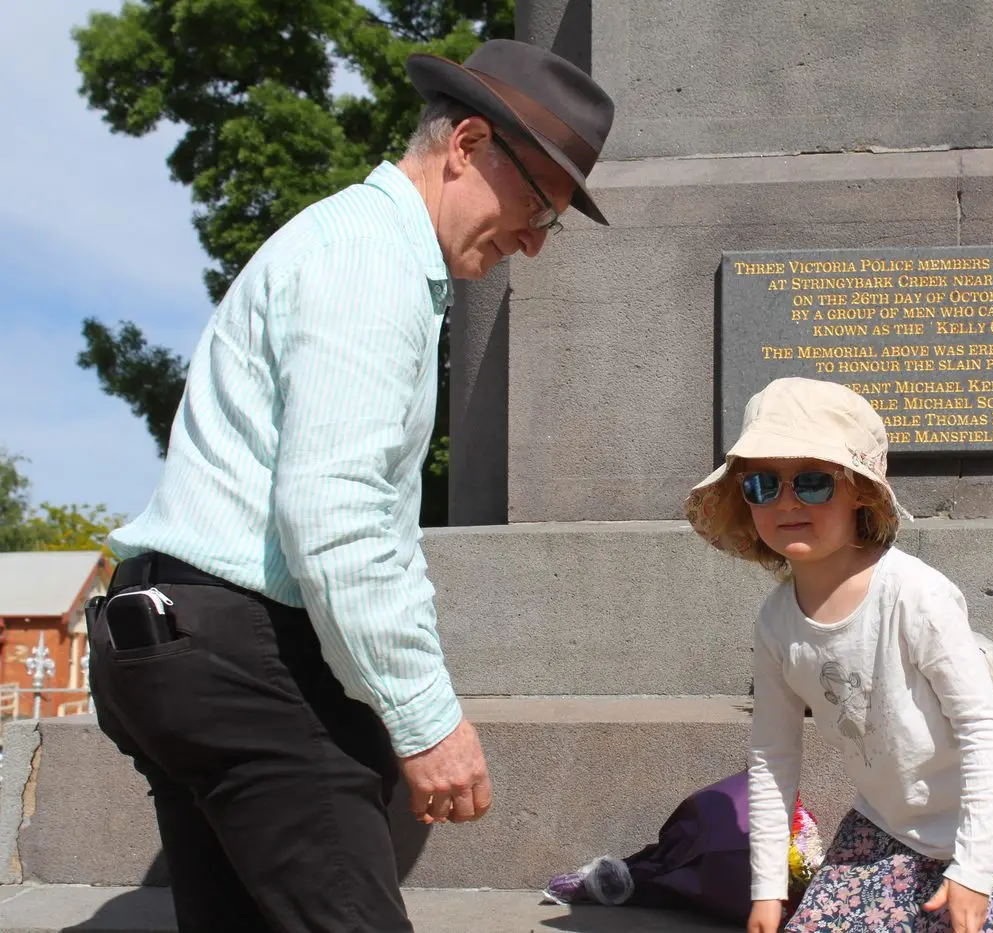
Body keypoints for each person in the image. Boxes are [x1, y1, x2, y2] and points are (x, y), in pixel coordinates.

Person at [87, 39, 614, 933]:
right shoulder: (373, 261)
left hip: (172, 642)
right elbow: (337, 513)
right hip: (239, 653)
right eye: (537, 206)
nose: (532, 240)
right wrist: (426, 718)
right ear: (469, 144)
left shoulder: (343, 242)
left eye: (550, 223)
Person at [684, 377, 993, 933]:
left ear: (858, 489)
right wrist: (766, 890)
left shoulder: (914, 594)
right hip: (890, 827)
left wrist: (976, 872)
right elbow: (771, 757)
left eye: (812, 483)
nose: (786, 502)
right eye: (763, 485)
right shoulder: (776, 622)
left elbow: (982, 729)